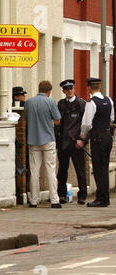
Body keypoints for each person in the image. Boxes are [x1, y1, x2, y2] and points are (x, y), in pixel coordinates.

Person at [76, 77, 114, 207]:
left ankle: (101, 198)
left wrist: (82, 138)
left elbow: (86, 124)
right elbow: (111, 118)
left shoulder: (91, 103)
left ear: (89, 88)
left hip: (97, 137)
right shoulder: (109, 100)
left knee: (98, 168)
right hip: (107, 136)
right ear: (100, 87)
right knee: (104, 167)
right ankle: (105, 197)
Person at [24, 80, 62, 208]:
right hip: (48, 139)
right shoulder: (50, 102)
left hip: (33, 139)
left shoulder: (29, 102)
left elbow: (26, 118)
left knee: (34, 171)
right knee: (50, 170)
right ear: (49, 91)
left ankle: (34, 200)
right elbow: (57, 121)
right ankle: (54, 200)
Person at [56, 79, 87, 205]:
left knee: (80, 170)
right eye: (67, 89)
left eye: (71, 88)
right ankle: (61, 194)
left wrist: (82, 140)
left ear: (74, 89)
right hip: (63, 143)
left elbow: (86, 124)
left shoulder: (81, 104)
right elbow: (58, 123)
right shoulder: (61, 104)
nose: (69, 91)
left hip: (76, 143)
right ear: (63, 91)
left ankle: (82, 196)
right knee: (62, 170)